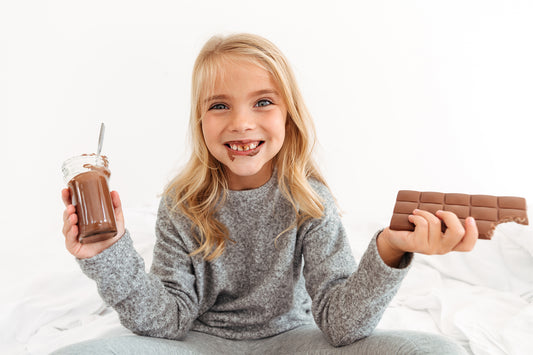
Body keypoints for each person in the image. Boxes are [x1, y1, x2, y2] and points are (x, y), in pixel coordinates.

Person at [55, 33, 477, 354]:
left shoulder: (310, 201)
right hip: (202, 344)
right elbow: (166, 321)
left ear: (288, 116)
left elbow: (341, 325)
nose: (241, 122)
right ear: (199, 121)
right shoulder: (182, 205)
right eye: (219, 105)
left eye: (262, 102)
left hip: (293, 342)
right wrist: (108, 254)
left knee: (438, 350)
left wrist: (389, 248)